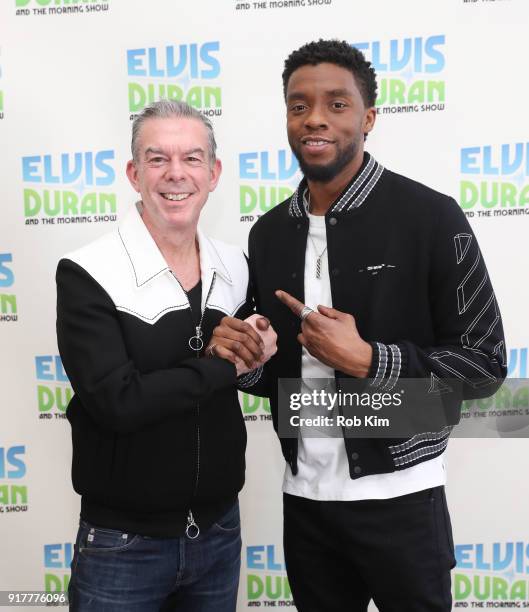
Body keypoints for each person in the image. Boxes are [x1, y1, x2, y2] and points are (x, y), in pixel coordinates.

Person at [210, 40, 507, 611]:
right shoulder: (268, 233)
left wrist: (372, 361)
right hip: (305, 503)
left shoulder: (430, 216)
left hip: (403, 501)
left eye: (336, 104)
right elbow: (272, 381)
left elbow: (486, 364)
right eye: (298, 106)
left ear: (368, 118)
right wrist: (247, 359)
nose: (314, 118)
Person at [56, 99, 276, 612]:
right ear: (134, 174)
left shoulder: (235, 265)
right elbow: (117, 401)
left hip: (219, 533)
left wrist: (260, 351)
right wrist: (222, 366)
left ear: (214, 172)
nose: (176, 174)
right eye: (157, 159)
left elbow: (250, 380)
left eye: (192, 158)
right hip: (123, 545)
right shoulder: (88, 271)